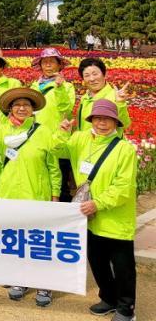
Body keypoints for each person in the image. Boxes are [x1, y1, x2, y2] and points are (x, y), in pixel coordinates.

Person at [54, 100, 137, 321]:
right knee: (97, 261)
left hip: (115, 218)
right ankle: (108, 298)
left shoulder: (125, 149)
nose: (102, 123)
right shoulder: (80, 139)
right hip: (89, 217)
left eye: (107, 119)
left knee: (122, 266)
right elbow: (56, 150)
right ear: (91, 120)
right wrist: (62, 132)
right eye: (98, 118)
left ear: (116, 122)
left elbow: (124, 187)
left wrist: (98, 203)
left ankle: (126, 308)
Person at [0, 87, 60, 307]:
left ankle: (44, 284)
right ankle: (20, 280)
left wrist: (55, 194)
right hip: (9, 193)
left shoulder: (43, 131)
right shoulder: (1, 129)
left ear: (33, 109)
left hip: (36, 193)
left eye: (26, 105)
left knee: (39, 240)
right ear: (10, 108)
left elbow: (53, 166)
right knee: (15, 239)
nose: (22, 108)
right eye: (17, 105)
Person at [30, 48, 76, 202]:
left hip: (58, 138)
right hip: (37, 139)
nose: (48, 64)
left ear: (59, 65)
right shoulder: (34, 86)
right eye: (45, 62)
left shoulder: (67, 86)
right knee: (39, 178)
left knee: (61, 184)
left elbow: (66, 109)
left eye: (52, 61)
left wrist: (59, 88)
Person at [76, 58, 131, 133]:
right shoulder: (85, 98)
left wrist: (120, 104)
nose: (92, 79)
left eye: (95, 74)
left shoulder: (114, 97)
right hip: (85, 140)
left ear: (104, 74)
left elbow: (124, 124)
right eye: (87, 75)